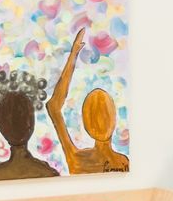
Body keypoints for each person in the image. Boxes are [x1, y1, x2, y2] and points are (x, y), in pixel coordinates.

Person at [47, 28, 129, 174]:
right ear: (114, 120)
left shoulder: (76, 160)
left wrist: (73, 55)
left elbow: (53, 107)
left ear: (86, 124)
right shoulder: (124, 163)